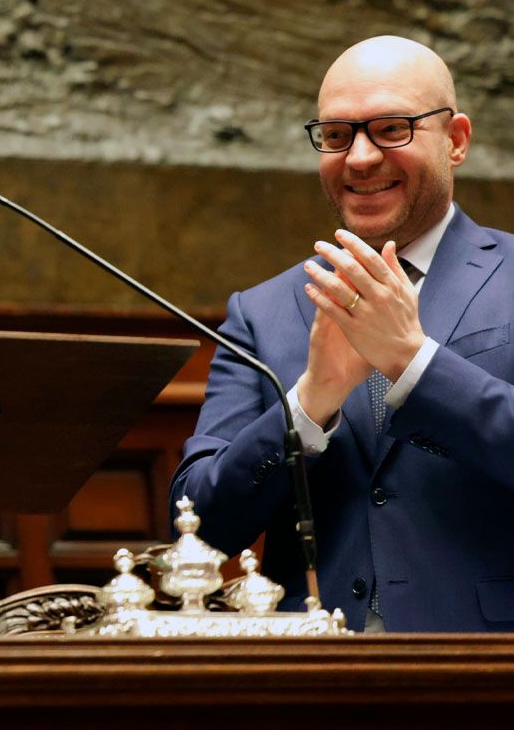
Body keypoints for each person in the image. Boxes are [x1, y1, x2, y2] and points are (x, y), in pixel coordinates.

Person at [172, 35, 514, 631]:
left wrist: (415, 365)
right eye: (336, 136)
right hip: (313, 677)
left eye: (391, 128)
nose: (358, 158)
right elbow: (198, 523)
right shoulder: (261, 312)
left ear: (456, 140)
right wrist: (308, 405)